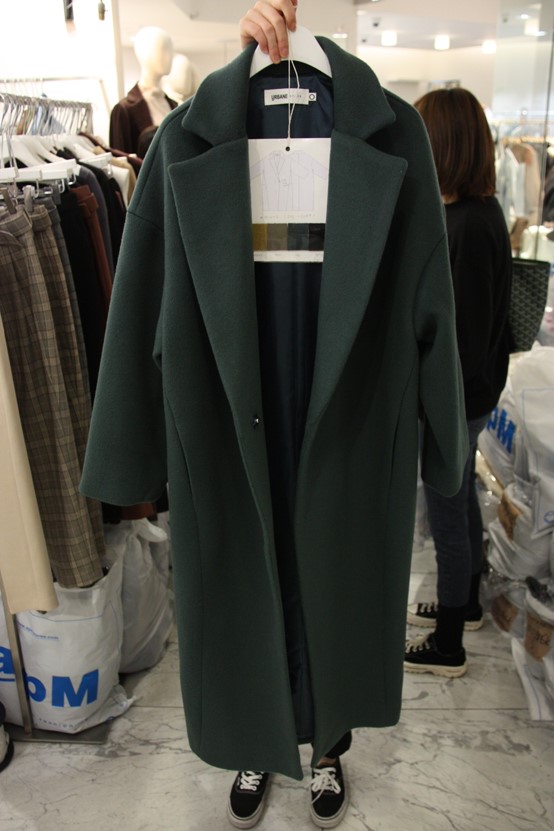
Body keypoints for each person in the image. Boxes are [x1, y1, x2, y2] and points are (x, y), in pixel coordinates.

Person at [404, 88, 512, 678]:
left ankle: (448, 642)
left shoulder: (467, 226)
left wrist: (430, 401)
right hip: (472, 392)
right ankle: (464, 602)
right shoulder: (474, 213)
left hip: (459, 397)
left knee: (446, 506)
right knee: (458, 495)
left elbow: (464, 341)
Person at [109, 27, 177, 155]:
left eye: (171, 51)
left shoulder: (173, 105)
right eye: (163, 50)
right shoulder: (124, 110)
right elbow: (122, 162)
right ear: (144, 53)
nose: (169, 57)